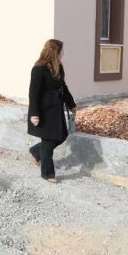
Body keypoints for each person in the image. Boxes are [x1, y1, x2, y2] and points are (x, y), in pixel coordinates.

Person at [27, 39, 76, 184]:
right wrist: (34, 113)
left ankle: (36, 151)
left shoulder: (59, 67)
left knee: (62, 135)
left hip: (57, 109)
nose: (63, 54)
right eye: (61, 51)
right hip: (44, 111)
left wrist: (72, 104)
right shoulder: (39, 69)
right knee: (48, 141)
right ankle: (47, 173)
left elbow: (63, 87)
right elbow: (33, 93)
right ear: (55, 53)